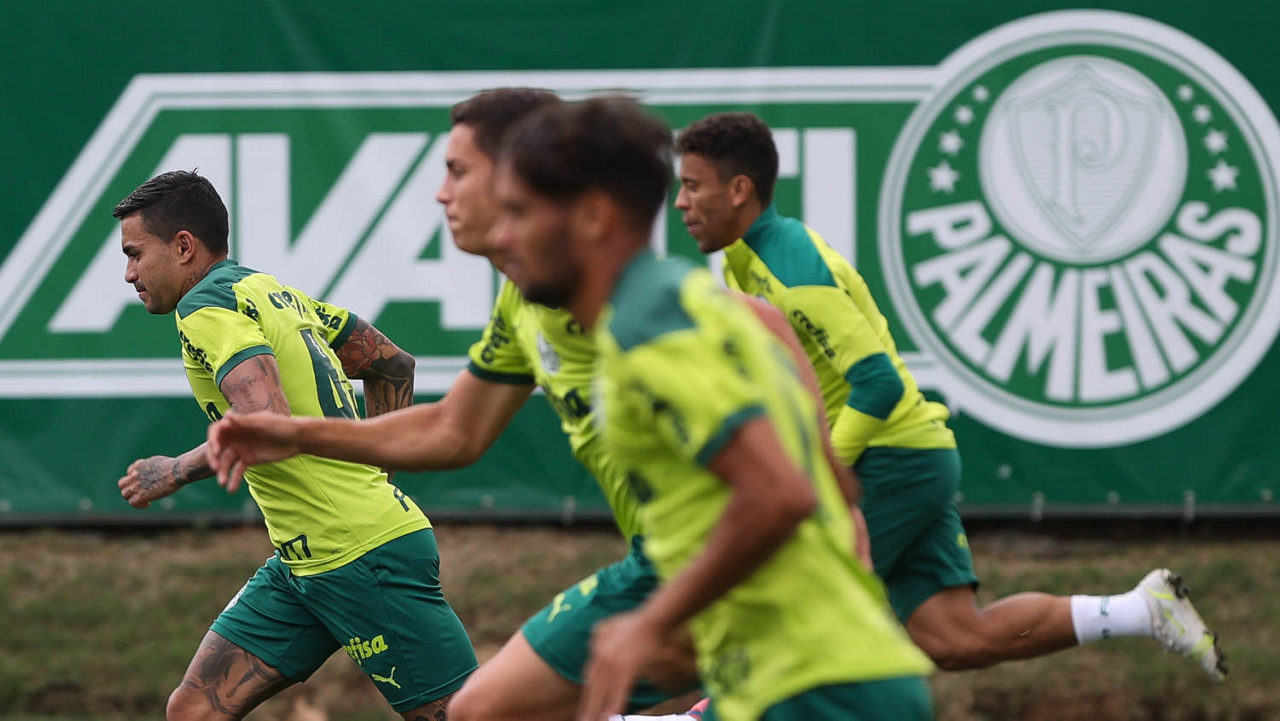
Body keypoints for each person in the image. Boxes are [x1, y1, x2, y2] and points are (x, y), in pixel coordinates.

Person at [672, 110, 1229, 679]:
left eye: (692, 186)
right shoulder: (747, 261)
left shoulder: (791, 270)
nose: (679, 203)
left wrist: (818, 476)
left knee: (784, 619)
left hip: (890, 464)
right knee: (957, 636)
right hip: (910, 457)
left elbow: (878, 382)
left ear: (739, 190)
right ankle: (1142, 610)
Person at [205, 89, 701, 720]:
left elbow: (781, 494)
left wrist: (658, 617)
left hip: (721, 576)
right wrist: (298, 435)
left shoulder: (661, 313)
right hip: (667, 565)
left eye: (458, 171)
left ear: (524, 172)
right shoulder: (526, 301)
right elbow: (453, 429)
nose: (441, 194)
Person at [488, 96, 935, 721]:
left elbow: (780, 494)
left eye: (518, 212)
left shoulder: (649, 328)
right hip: (802, 679)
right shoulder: (700, 302)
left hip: (819, 689)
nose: (501, 236)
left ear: (592, 216)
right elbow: (829, 480)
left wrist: (651, 622)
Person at [112, 170, 477, 720]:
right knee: (194, 710)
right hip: (303, 563)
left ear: (183, 246)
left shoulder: (204, 308)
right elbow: (392, 365)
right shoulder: (267, 291)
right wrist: (374, 472)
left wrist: (176, 470)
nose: (129, 273)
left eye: (135, 254)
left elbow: (267, 422)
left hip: (359, 556)